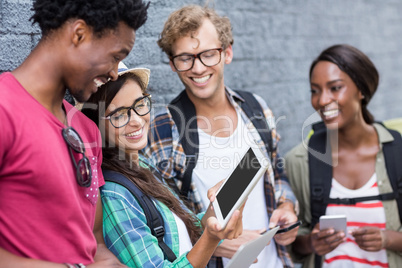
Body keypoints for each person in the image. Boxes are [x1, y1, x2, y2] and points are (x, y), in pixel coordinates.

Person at [143, 5, 298, 268]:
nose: (198, 67)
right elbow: (160, 220)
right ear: (172, 64)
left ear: (227, 53)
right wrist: (211, 242)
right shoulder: (163, 129)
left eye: (208, 54)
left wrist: (287, 206)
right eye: (185, 58)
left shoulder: (256, 108)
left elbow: (277, 172)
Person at [0, 0, 149, 267]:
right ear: (79, 34)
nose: (115, 74)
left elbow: (94, 242)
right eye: (115, 56)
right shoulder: (4, 111)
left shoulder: (85, 129)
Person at [81, 62, 244, 268]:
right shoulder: (115, 195)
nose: (137, 121)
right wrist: (211, 238)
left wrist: (216, 211)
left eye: (140, 104)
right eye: (119, 115)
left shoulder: (142, 164)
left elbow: (186, 234)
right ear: (95, 124)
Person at [285, 44, 402, 267]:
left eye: (335, 88)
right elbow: (291, 243)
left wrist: (388, 239)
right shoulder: (300, 160)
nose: (322, 100)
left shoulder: (397, 153)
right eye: (315, 90)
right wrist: (311, 243)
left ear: (361, 90)